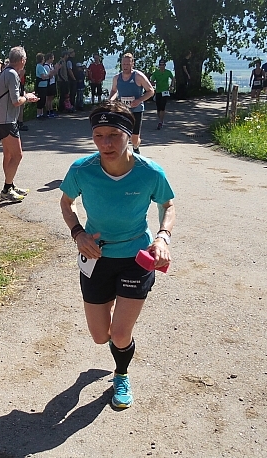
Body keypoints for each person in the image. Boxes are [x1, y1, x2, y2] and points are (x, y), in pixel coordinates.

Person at [59, 100, 175, 408]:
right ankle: (113, 333)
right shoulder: (82, 170)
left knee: (120, 335)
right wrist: (78, 233)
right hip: (96, 257)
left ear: (129, 135)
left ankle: (121, 374)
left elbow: (168, 205)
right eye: (98, 136)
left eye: (114, 135)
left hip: (136, 257)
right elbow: (66, 203)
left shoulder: (150, 172)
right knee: (101, 336)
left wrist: (163, 237)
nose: (105, 143)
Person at [0, 46, 39, 202]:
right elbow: (15, 101)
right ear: (21, 60)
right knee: (18, 155)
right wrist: (27, 97)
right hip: (8, 121)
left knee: (8, 155)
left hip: (1, 119)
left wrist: (25, 96)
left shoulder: (5, 71)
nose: (25, 61)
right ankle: (7, 189)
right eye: (25, 58)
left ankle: (10, 185)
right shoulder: (12, 74)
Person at [109, 52, 155, 154]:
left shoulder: (138, 76)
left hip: (136, 110)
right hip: (123, 110)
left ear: (132, 64)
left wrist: (139, 100)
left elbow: (151, 91)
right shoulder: (117, 78)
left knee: (134, 138)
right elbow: (114, 90)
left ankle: (136, 146)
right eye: (123, 64)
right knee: (122, 134)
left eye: (127, 64)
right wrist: (111, 100)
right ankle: (125, 154)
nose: (125, 66)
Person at [150, 59, 174, 129]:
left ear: (165, 65)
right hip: (158, 91)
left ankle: (160, 122)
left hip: (165, 91)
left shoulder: (168, 72)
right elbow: (151, 81)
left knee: (163, 107)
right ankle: (160, 119)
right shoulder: (156, 73)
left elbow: (173, 78)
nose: (162, 66)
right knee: (158, 108)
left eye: (163, 65)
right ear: (159, 65)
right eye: (160, 65)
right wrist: (154, 83)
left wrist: (172, 86)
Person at [35, 53, 50, 119]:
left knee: (43, 99)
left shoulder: (41, 66)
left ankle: (41, 113)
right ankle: (38, 114)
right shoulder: (40, 66)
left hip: (44, 85)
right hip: (41, 85)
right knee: (40, 99)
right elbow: (43, 77)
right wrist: (49, 74)